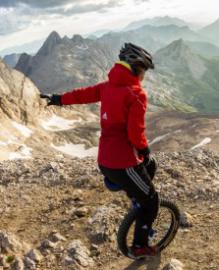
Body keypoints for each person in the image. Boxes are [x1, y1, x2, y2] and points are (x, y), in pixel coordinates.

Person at [40, 43, 159, 258]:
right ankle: (139, 246)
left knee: (148, 169)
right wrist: (144, 149)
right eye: (143, 71)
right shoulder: (136, 94)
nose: (143, 76)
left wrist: (59, 99)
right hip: (123, 163)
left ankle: (135, 197)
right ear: (135, 68)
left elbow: (83, 95)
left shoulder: (107, 86)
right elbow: (135, 133)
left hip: (104, 161)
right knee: (152, 201)